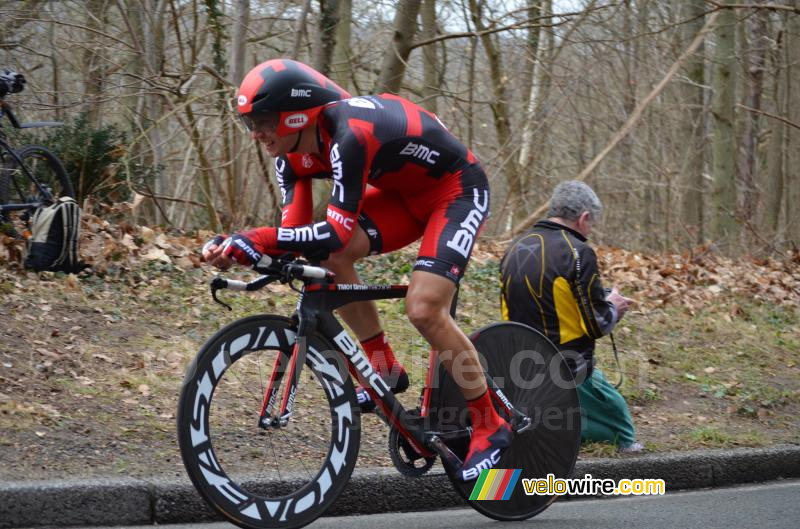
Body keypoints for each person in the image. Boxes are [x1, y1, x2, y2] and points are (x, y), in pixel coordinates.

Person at [202, 58, 510, 480]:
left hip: (456, 191)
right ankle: (382, 365)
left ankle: (491, 423)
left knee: (423, 309)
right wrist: (243, 249)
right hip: (402, 197)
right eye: (249, 122)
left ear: (298, 113)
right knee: (326, 260)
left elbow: (330, 230)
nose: (257, 133)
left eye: (265, 120)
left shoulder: (350, 134)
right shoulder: (288, 155)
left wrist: (258, 237)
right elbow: (299, 240)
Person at [499, 180, 643, 453]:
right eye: (592, 223)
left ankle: (554, 430)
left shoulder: (515, 248)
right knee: (621, 423)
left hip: (519, 368)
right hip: (568, 368)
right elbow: (595, 323)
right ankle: (574, 434)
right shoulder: (578, 251)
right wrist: (614, 306)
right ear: (583, 217)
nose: (590, 230)